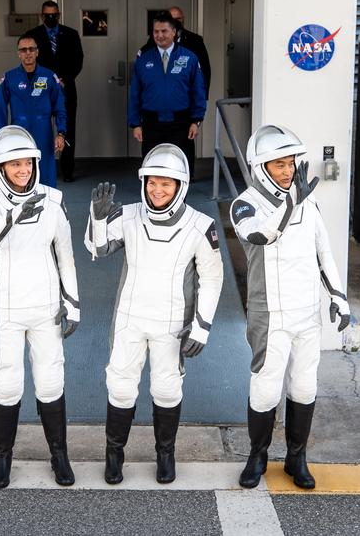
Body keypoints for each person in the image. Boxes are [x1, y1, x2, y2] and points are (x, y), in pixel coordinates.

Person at [84, 144, 222, 485]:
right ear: (144, 182)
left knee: (167, 389)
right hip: (130, 319)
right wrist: (97, 217)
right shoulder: (128, 215)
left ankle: (165, 454)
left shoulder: (200, 226)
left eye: (166, 184)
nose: (157, 190)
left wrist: (202, 327)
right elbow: (97, 249)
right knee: (120, 387)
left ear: (180, 186)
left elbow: (212, 277)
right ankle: (114, 455)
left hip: (173, 324)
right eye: (152, 182)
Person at [229, 125, 351, 490]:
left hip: (306, 312)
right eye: (277, 164)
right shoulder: (244, 204)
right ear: (260, 167)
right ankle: (258, 455)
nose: (286, 171)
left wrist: (339, 297)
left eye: (290, 163)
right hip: (270, 315)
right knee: (266, 389)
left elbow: (323, 250)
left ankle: (296, 456)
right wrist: (289, 204)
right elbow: (261, 235)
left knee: (303, 385)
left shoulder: (307, 201)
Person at [0, 125, 80, 488]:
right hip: (4, 309)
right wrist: (10, 216)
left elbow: (66, 256)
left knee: (50, 382)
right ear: (0, 168)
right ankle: (3, 457)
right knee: (7, 383)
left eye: (27, 162)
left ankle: (59, 454)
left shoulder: (53, 199)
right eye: (14, 164)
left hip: (45, 306)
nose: (22, 170)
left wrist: (73, 303)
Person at [128, 14, 206, 173]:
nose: (159, 35)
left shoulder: (189, 58)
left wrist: (196, 121)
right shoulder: (143, 59)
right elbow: (135, 93)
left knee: (180, 166)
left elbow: (198, 91)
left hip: (180, 123)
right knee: (151, 167)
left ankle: (181, 197)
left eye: (164, 31)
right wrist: (135, 124)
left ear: (174, 32)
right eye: (156, 31)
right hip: (151, 123)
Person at [0, 35, 68, 188]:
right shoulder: (9, 78)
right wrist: (0, 137)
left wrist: (61, 133)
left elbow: (60, 107)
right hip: (19, 133)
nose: (28, 53)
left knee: (45, 174)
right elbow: (0, 109)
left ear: (37, 52)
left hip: (44, 132)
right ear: (18, 53)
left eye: (31, 49)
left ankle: (48, 208)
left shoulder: (48, 76)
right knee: (21, 174)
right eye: (23, 49)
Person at [23, 0, 84, 182]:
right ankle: (39, 169)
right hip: (40, 90)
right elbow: (28, 61)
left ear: (59, 15)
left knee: (67, 130)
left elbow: (78, 60)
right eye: (47, 15)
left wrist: (64, 79)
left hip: (66, 89)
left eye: (54, 15)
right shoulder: (32, 35)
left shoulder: (71, 34)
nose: (51, 18)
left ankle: (67, 170)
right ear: (42, 16)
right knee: (40, 129)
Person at [138, 6, 211, 101]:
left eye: (178, 19)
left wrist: (202, 95)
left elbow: (204, 69)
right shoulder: (155, 40)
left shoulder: (195, 40)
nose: (175, 22)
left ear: (183, 20)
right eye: (172, 19)